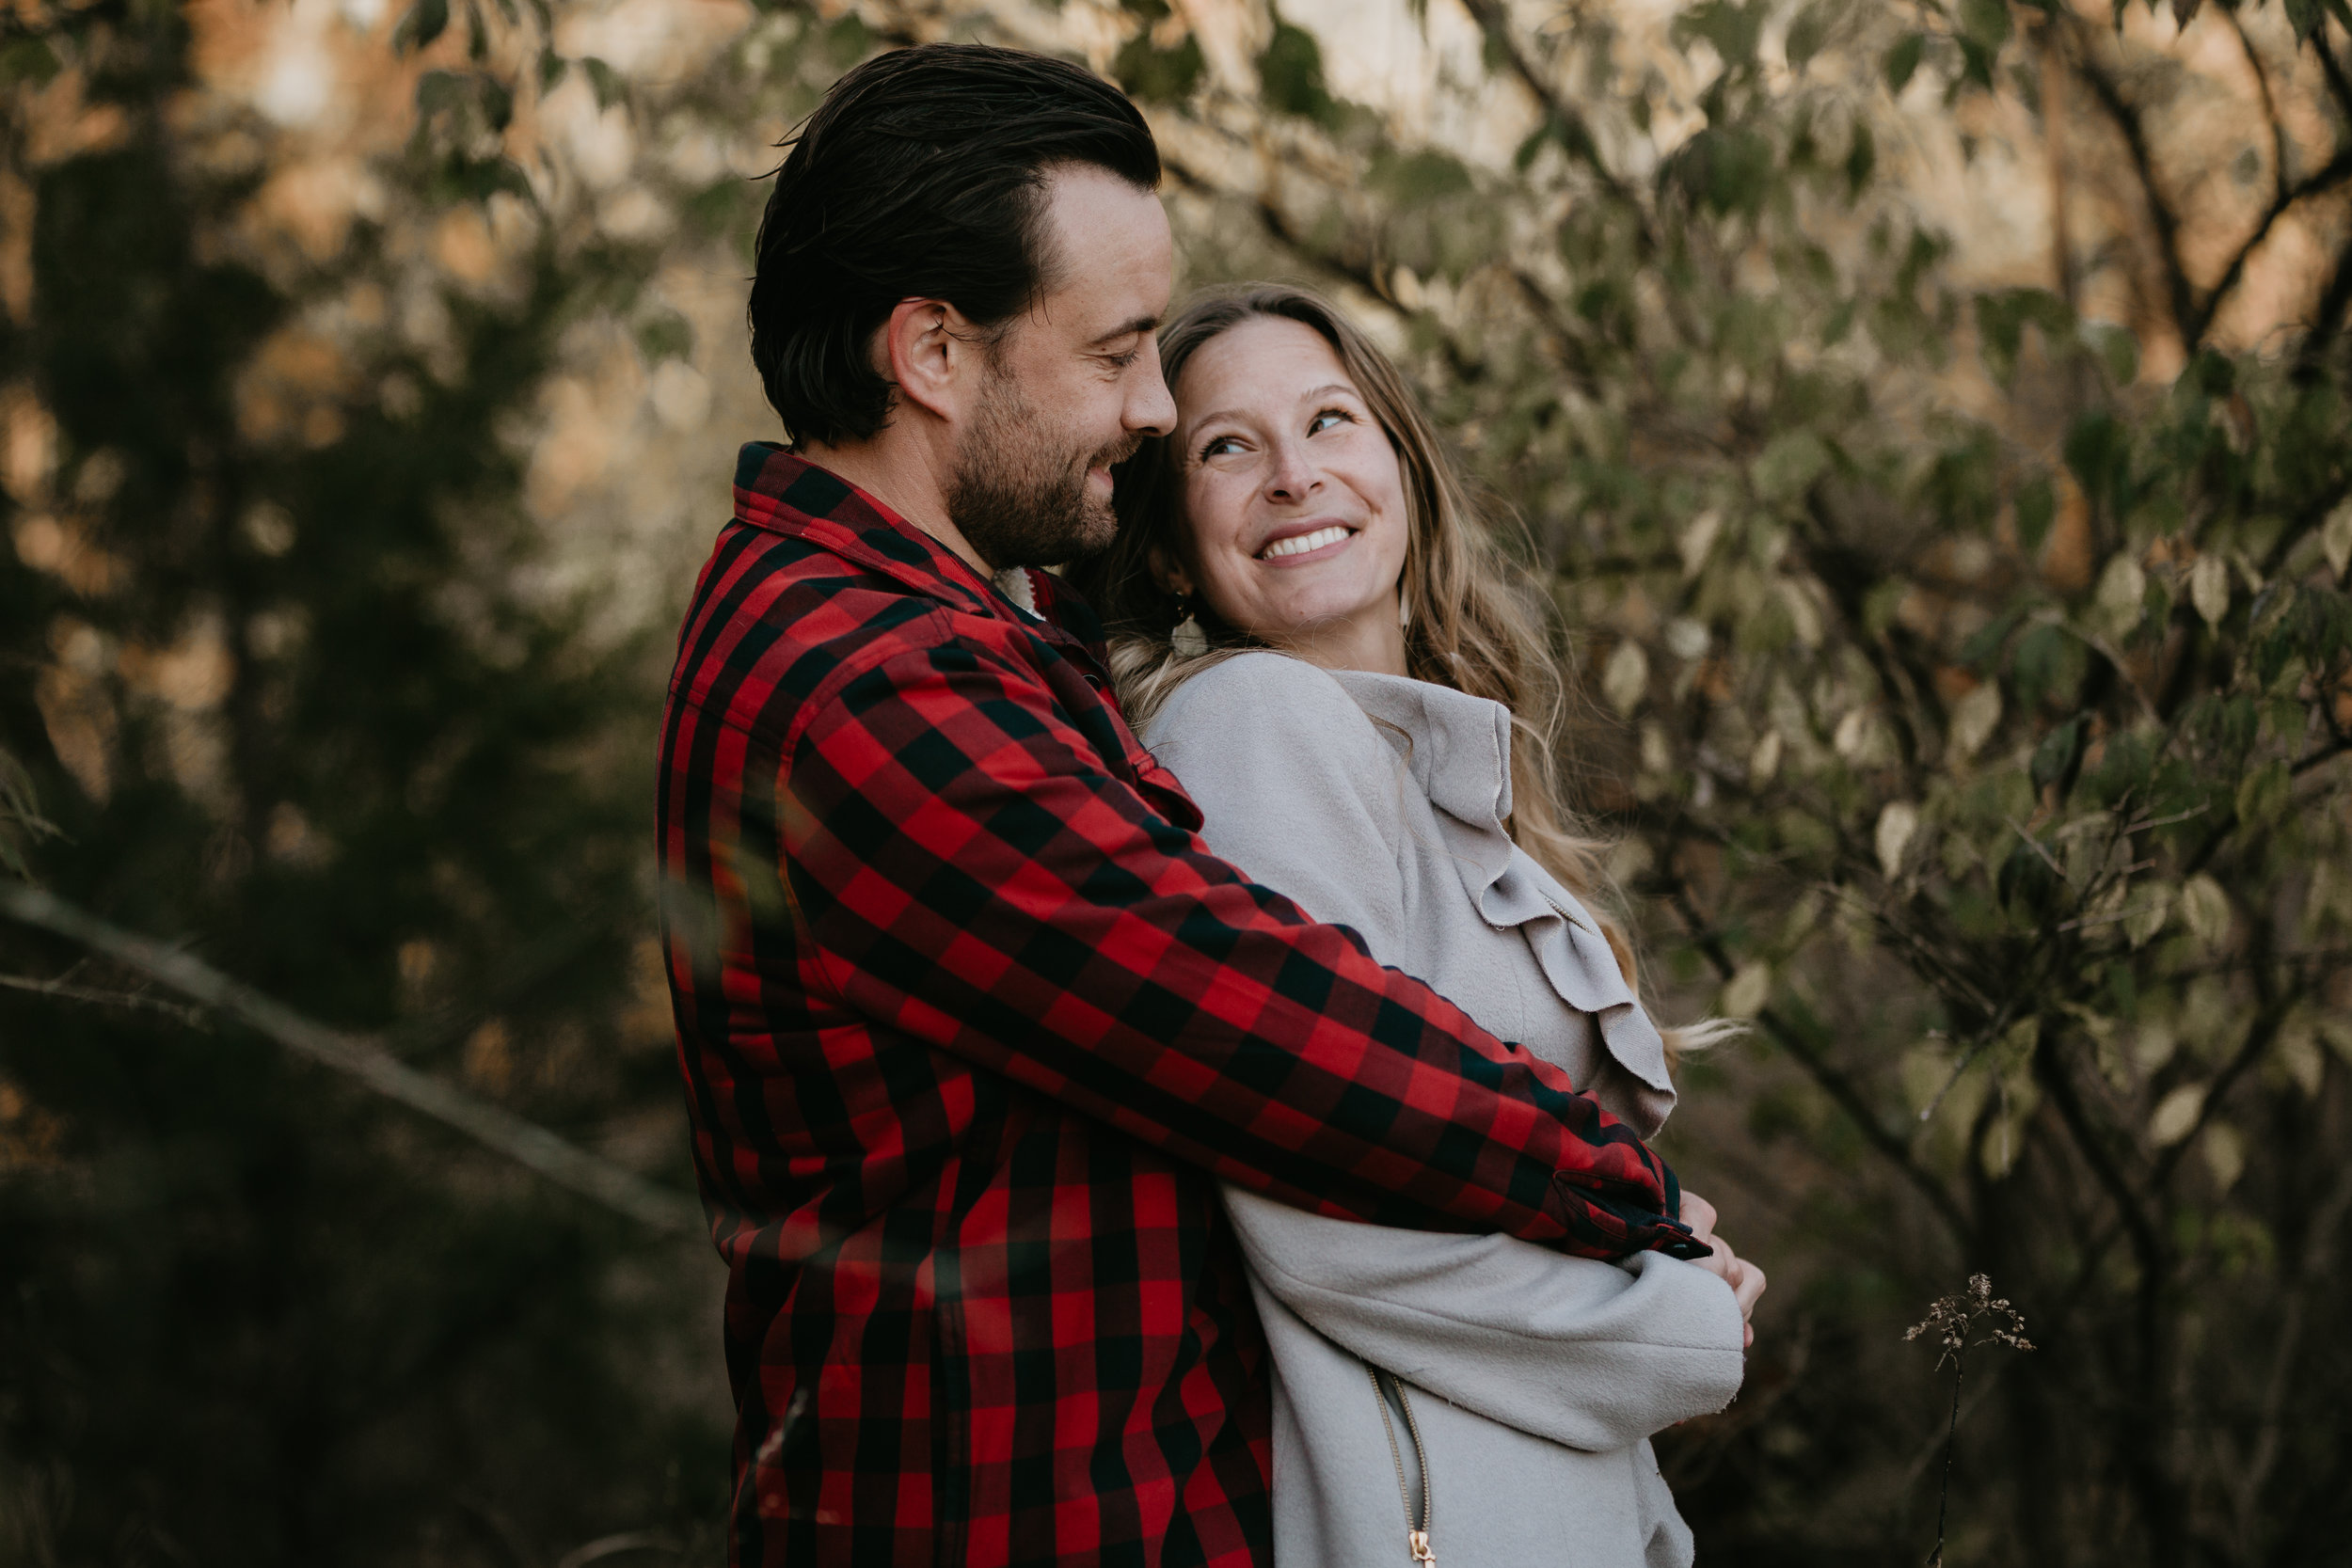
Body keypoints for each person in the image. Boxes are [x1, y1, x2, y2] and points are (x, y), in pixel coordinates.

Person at [657, 43, 1748, 1568]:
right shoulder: (865, 689)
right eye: (1115, 354)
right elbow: (1260, 1024)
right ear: (932, 354)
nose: (1158, 406)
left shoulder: (964, 630)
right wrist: (1627, 1192)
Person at [1080, 283, 1767, 1567]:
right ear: (1171, 547)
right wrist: (1669, 1322)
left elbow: (1486, 1151)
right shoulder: (1257, 727)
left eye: (1330, 421)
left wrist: (1651, 1240)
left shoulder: (1435, 774)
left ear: (1400, 467)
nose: (1295, 475)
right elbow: (1327, 1218)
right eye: (1228, 446)